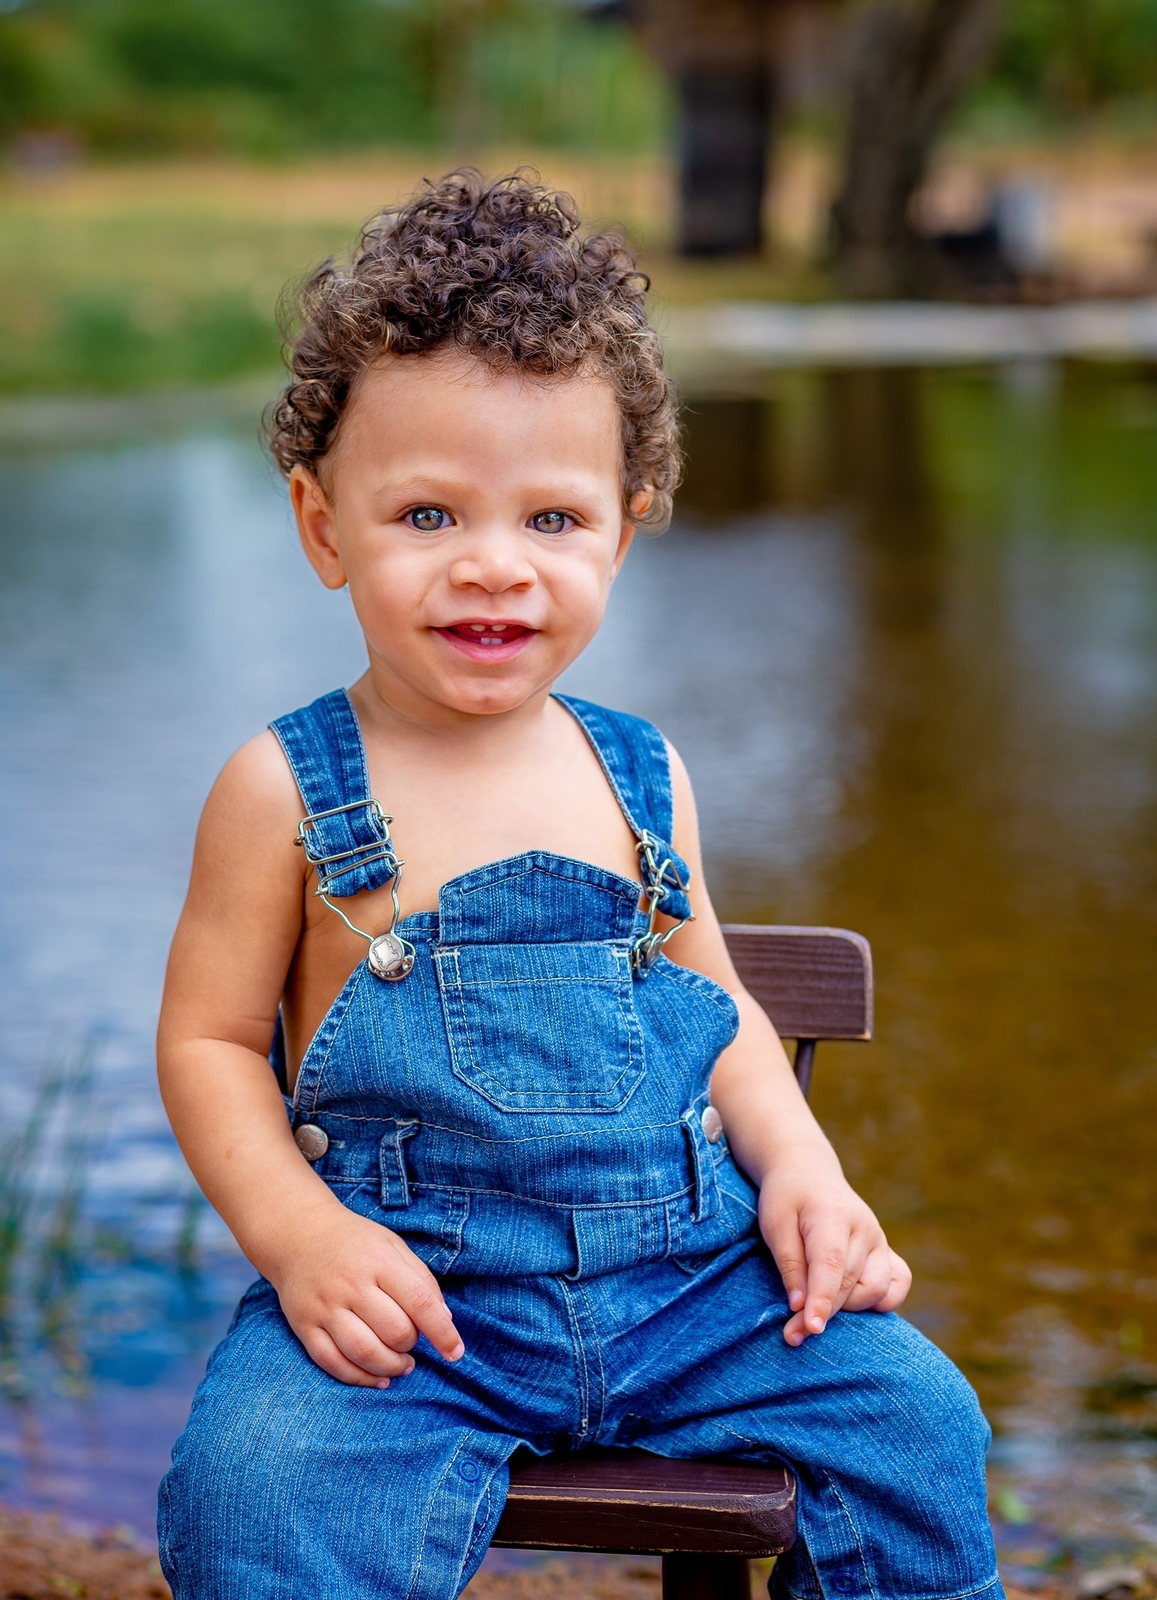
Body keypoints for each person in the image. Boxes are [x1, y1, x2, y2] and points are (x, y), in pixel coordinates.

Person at [156, 170, 1003, 1600]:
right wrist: (300, 1236)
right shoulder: (286, 786)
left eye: (552, 520)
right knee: (251, 1482)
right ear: (320, 523)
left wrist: (804, 1166)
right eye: (426, 515)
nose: (495, 568)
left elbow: (716, 1004)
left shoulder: (639, 772)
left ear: (626, 521)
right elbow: (212, 1044)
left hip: (694, 1289)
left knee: (919, 1421)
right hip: (419, 1303)